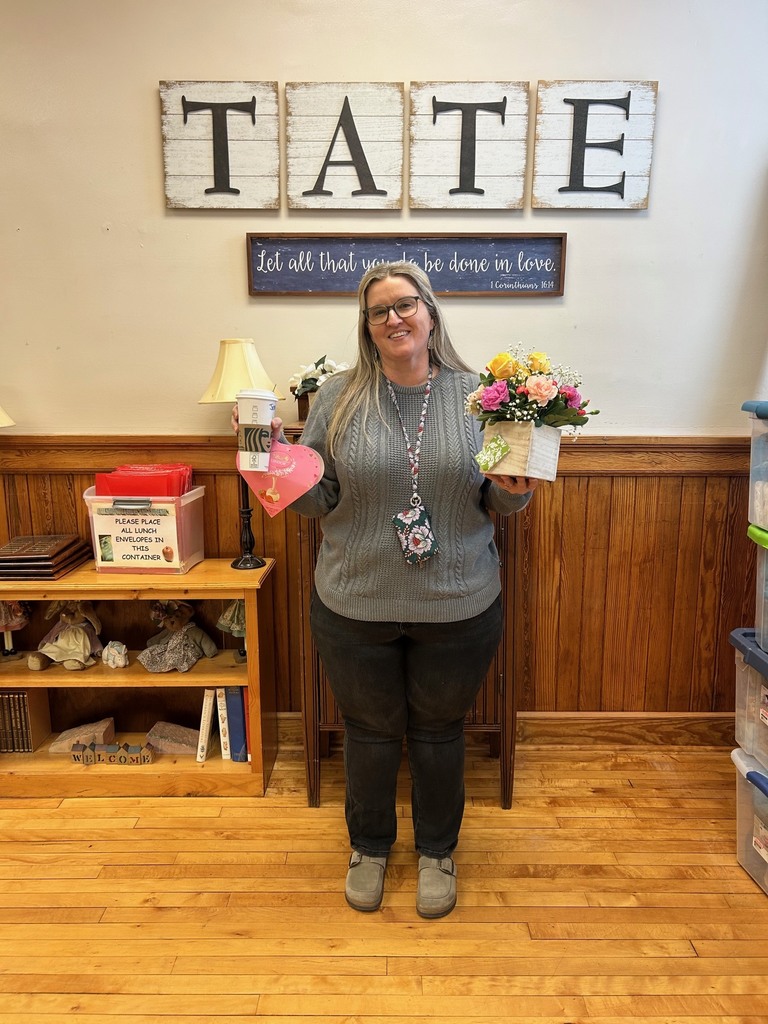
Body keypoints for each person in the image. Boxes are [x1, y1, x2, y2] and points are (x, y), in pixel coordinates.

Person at [272, 261, 538, 917]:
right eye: (378, 311)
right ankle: (368, 847)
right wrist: (271, 466)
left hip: (458, 602)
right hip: (353, 601)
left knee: (440, 731)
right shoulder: (337, 397)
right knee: (369, 731)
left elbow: (497, 503)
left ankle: (436, 852)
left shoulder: (483, 397)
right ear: (365, 327)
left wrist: (518, 491)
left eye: (404, 305)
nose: (393, 318)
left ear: (430, 311)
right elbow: (319, 500)